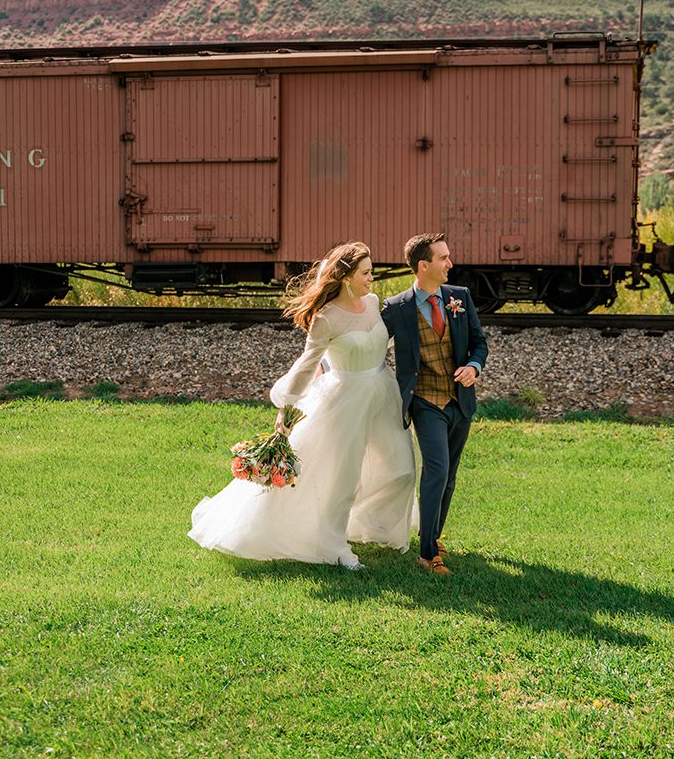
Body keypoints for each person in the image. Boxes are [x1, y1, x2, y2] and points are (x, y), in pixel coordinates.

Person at [188, 242, 416, 569]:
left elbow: (378, 340)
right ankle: (335, 544)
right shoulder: (325, 319)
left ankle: (369, 522)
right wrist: (287, 408)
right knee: (343, 476)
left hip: (383, 393)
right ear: (346, 277)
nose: (372, 278)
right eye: (366, 272)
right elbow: (307, 365)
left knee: (402, 469)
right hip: (345, 399)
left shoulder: (372, 303)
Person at [382, 233, 488, 576]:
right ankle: (428, 554)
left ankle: (434, 535)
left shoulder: (460, 297)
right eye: (443, 258)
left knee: (450, 476)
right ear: (423, 265)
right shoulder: (397, 307)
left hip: (461, 401)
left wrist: (473, 366)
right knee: (437, 471)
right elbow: (370, 342)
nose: (451, 264)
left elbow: (479, 343)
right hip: (425, 401)